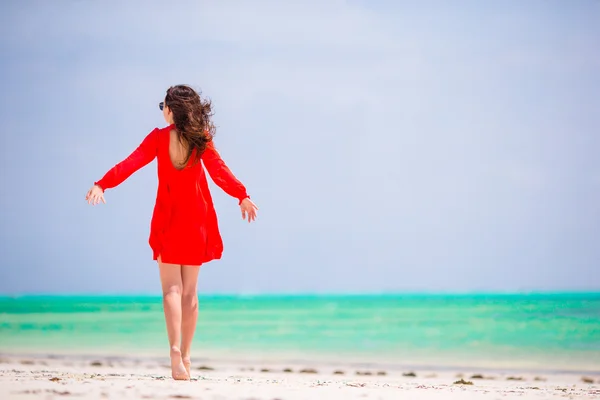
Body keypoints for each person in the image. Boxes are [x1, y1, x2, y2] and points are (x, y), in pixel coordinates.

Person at [85, 85, 258, 380]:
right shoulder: (201, 139)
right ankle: (187, 356)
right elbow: (219, 171)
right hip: (197, 220)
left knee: (171, 291)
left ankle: (175, 351)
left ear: (170, 110)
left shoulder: (158, 138)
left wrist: (102, 183)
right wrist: (241, 196)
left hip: (169, 219)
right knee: (190, 292)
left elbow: (131, 164)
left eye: (163, 105)